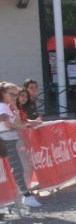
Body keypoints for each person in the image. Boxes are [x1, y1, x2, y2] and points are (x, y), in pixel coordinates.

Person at [0, 82, 42, 210]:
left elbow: (14, 122)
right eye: (11, 94)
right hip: (6, 138)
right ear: (2, 93)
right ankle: (25, 197)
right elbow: (8, 125)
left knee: (17, 168)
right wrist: (21, 126)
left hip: (9, 138)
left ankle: (22, 198)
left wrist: (15, 109)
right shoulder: (2, 106)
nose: (14, 97)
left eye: (15, 94)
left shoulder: (7, 106)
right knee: (17, 168)